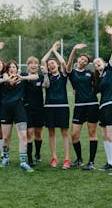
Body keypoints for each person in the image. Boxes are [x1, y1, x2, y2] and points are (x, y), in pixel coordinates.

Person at [0, 60, 38, 172]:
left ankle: (23, 162)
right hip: (5, 109)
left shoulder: (22, 77)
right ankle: (5, 158)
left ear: (17, 69)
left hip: (19, 108)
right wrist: (5, 79)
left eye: (14, 67)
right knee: (6, 137)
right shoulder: (4, 78)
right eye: (10, 67)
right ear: (7, 69)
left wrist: (22, 78)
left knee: (23, 135)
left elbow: (35, 77)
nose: (12, 68)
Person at [93, 25, 112, 176]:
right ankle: (110, 163)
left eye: (99, 62)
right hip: (103, 106)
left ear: (104, 63)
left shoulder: (109, 69)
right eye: (95, 63)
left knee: (111, 136)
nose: (97, 64)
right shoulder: (99, 78)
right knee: (104, 135)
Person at [66, 44, 99, 170]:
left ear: (87, 64)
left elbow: (96, 86)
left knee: (92, 133)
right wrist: (74, 49)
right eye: (82, 59)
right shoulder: (71, 72)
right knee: (74, 135)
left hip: (92, 105)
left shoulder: (89, 73)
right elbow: (68, 64)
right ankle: (79, 159)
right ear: (78, 59)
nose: (83, 61)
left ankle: (91, 162)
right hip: (79, 106)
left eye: (85, 61)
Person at [41, 41, 70, 169]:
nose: (50, 64)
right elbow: (42, 60)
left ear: (57, 65)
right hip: (49, 107)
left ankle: (67, 159)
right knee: (51, 133)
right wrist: (50, 50)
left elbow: (64, 63)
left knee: (64, 132)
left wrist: (55, 51)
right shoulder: (47, 77)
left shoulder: (63, 75)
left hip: (63, 106)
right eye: (49, 64)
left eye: (53, 63)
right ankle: (54, 158)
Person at [23, 56, 44, 166]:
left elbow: (36, 77)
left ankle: (38, 154)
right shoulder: (23, 76)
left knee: (38, 133)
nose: (33, 65)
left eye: (35, 63)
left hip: (40, 109)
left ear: (38, 66)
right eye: (31, 63)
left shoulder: (40, 77)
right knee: (29, 133)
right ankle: (30, 159)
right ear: (27, 66)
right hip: (27, 109)